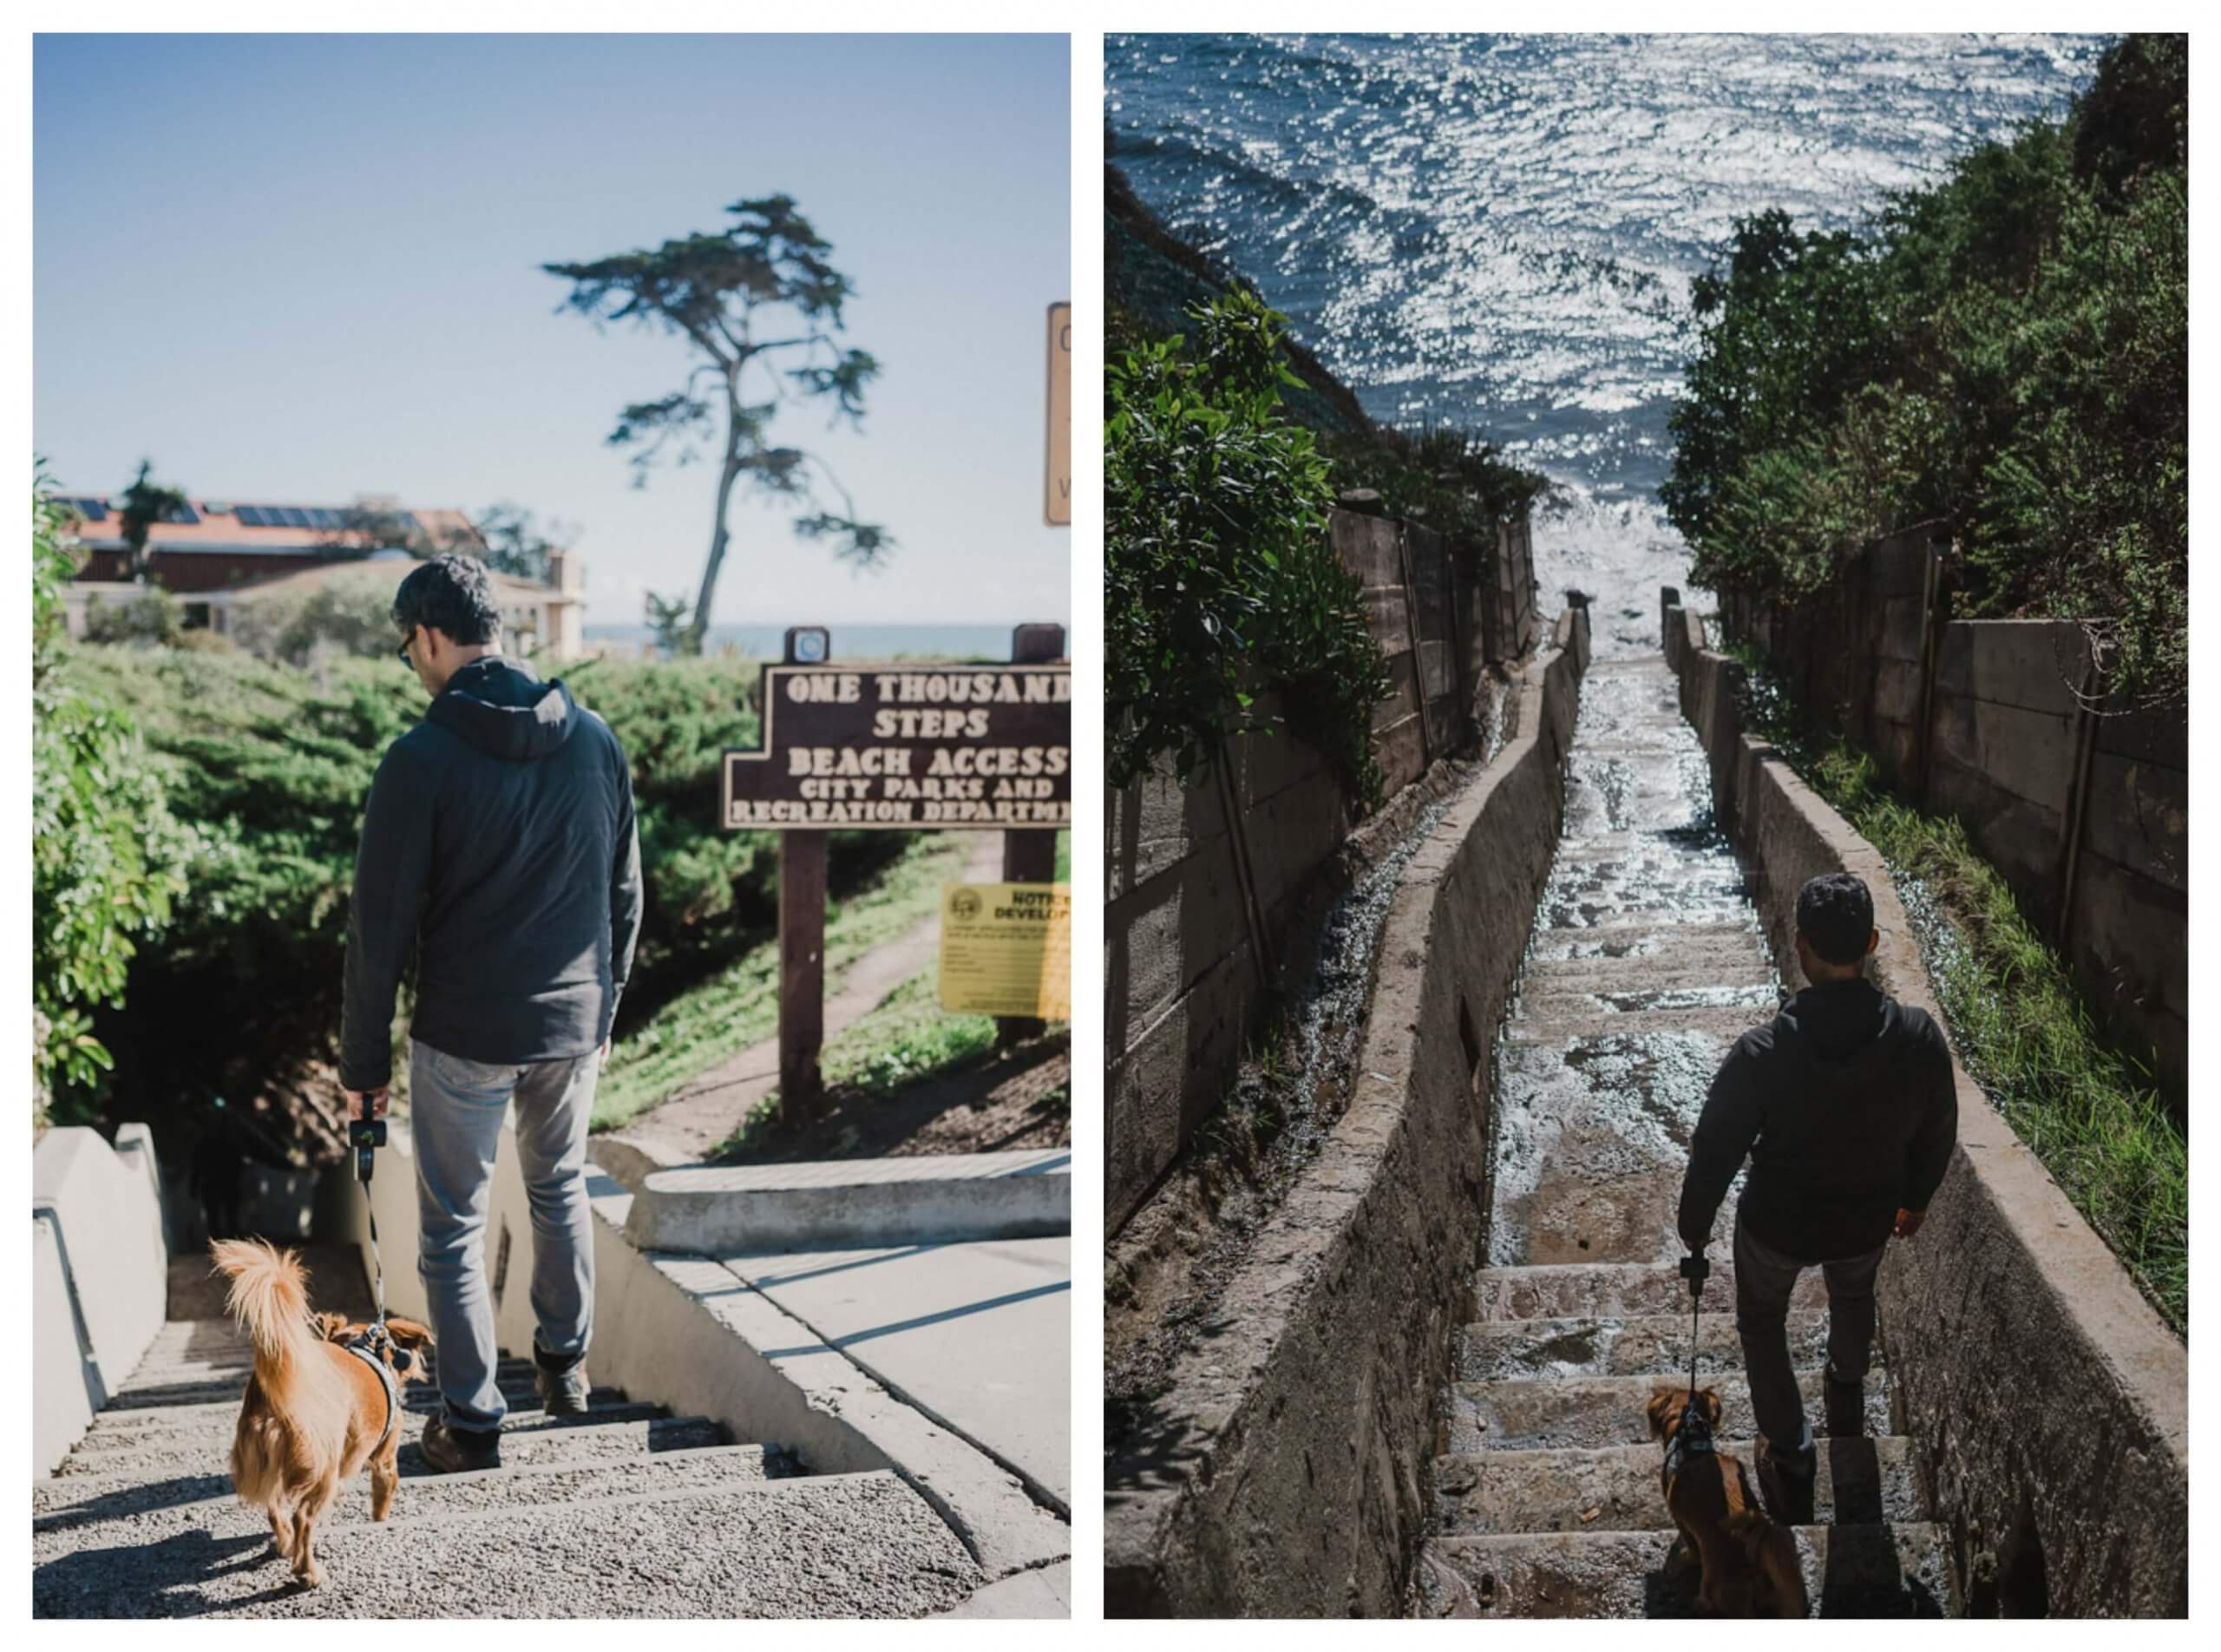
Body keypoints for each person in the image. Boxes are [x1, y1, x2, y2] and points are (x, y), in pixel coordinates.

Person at [337, 554, 643, 1474]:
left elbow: (376, 933)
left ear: (430, 634)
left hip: (464, 1032)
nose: (412, 666)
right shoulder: (594, 740)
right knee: (557, 1191)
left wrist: (362, 1070)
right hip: (570, 1026)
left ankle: (471, 1422)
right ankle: (565, 1370)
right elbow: (624, 895)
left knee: (454, 1225)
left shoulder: (418, 759)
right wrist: (602, 1010)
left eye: (408, 650)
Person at [1675, 871, 1956, 1525]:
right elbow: (1938, 1128)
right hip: (1866, 1219)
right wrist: (1915, 1199)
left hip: (1777, 1225)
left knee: (1762, 1324)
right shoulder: (1917, 1040)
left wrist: (1695, 1230)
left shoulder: (1762, 1053)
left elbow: (1715, 1149)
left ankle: (1794, 1450)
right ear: (1875, 943)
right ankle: (1846, 1382)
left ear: (1800, 946)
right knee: (1855, 1295)